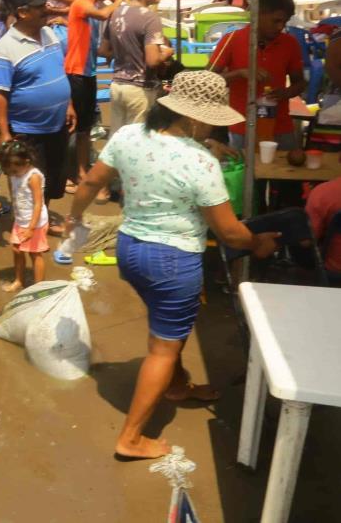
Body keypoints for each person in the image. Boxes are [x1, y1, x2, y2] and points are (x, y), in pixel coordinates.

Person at [68, 71, 279, 460]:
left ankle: (177, 384)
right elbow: (231, 234)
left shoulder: (130, 135)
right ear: (195, 118)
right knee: (162, 348)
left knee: (168, 327)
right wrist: (259, 243)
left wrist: (73, 219)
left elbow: (89, 183)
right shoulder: (200, 163)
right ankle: (131, 437)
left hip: (130, 250)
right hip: (172, 260)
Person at [0, 0, 75, 228]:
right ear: (23, 13)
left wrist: (68, 104)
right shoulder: (5, 48)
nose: (46, 10)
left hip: (57, 124)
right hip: (28, 130)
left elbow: (59, 71)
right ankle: (28, 226)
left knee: (51, 178)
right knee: (28, 181)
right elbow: (0, 93)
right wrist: (4, 133)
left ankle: (42, 220)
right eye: (40, 7)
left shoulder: (49, 33)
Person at [209, 0, 306, 151]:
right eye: (276, 21)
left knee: (281, 173)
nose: (280, 27)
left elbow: (300, 83)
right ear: (259, 14)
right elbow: (208, 80)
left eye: (285, 22)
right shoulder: (232, 39)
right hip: (241, 126)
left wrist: (286, 93)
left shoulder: (290, 43)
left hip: (280, 127)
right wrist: (240, 73)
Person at [64, 0, 121, 195]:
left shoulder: (92, 9)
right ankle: (66, 172)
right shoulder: (81, 4)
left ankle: (80, 170)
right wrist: (118, 0)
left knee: (85, 128)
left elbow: (92, 44)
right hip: (75, 73)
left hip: (88, 73)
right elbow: (105, 14)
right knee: (72, 126)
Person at [103, 0, 173, 135]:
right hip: (139, 90)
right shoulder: (149, 18)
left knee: (118, 141)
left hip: (117, 85)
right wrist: (167, 53)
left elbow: (103, 50)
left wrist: (126, 52)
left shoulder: (116, 13)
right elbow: (152, 60)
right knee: (138, 142)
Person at [0, 139, 48, 292]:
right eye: (9, 171)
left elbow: (38, 204)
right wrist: (16, 215)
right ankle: (19, 280)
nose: (12, 174)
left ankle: (38, 287)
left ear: (26, 162)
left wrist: (31, 228)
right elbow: (15, 195)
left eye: (14, 171)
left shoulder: (33, 177)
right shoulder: (15, 174)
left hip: (35, 222)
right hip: (21, 220)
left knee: (35, 254)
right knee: (17, 250)